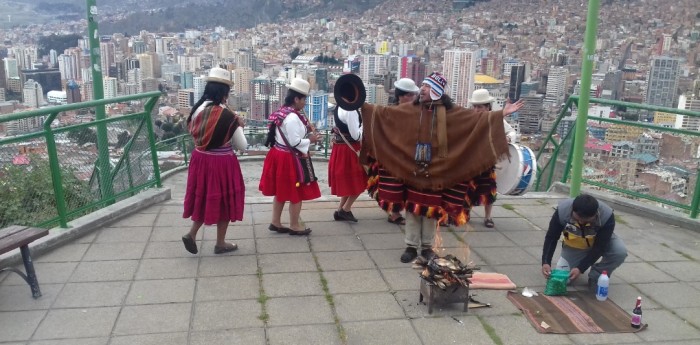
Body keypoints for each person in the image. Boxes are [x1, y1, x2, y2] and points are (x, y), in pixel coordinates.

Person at [338, 72, 524, 263]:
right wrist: (361, 105)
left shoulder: (451, 113)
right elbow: (385, 115)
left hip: (436, 170)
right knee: (411, 210)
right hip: (412, 168)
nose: (422, 90)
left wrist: (502, 113)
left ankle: (427, 247)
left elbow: (475, 120)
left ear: (437, 91)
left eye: (427, 87)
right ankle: (410, 246)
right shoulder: (410, 109)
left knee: (431, 211)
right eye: (423, 86)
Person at [182, 67, 246, 255]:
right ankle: (220, 242)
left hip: (200, 159)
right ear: (225, 92)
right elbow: (242, 145)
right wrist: (238, 125)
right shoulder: (226, 116)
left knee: (204, 197)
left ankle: (192, 233)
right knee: (224, 200)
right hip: (221, 163)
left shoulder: (197, 109)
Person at [259, 78, 321, 236]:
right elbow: (294, 142)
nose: (305, 103)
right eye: (303, 99)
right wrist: (311, 139)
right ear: (296, 99)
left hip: (279, 154)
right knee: (296, 192)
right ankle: (294, 225)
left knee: (281, 192)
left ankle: (276, 221)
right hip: (289, 158)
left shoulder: (284, 111)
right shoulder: (293, 117)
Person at [541, 194, 627, 289]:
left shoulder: (606, 215)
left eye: (585, 221)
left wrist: (580, 268)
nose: (581, 222)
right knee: (563, 280)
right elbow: (551, 237)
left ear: (595, 214)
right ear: (573, 210)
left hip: (598, 239)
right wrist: (546, 261)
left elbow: (600, 247)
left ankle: (597, 275)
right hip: (576, 245)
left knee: (619, 252)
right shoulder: (562, 211)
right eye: (577, 219)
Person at [369, 78, 420, 225]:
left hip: (409, 155)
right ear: (401, 96)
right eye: (410, 95)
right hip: (392, 156)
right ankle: (394, 212)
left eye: (413, 95)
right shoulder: (389, 112)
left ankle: (402, 210)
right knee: (393, 185)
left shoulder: (416, 112)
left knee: (407, 185)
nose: (412, 98)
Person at [466, 89, 517, 228]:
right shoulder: (469, 118)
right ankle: (467, 213)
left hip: (488, 162)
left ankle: (488, 217)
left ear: (488, 107)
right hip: (470, 162)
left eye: (480, 106)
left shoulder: (495, 119)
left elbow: (512, 132)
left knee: (489, 191)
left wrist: (507, 138)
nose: (477, 109)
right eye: (475, 106)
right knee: (469, 189)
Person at [329, 105, 368, 222]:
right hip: (350, 149)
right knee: (359, 180)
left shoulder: (339, 107)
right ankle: (346, 209)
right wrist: (364, 128)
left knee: (349, 180)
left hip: (341, 148)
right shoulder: (351, 110)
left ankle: (341, 209)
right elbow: (356, 135)